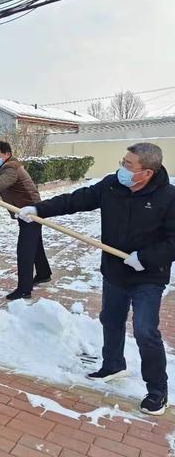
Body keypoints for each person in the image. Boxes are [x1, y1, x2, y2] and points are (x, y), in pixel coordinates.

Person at [18, 142, 175, 416]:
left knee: (144, 330)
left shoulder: (169, 197)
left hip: (147, 276)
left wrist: (145, 258)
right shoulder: (111, 185)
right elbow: (76, 200)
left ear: (146, 173)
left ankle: (158, 390)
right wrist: (39, 210)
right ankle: (113, 365)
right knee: (110, 319)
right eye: (123, 161)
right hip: (114, 270)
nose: (122, 168)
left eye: (129, 165)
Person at [0, 141, 52, 300]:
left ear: (7, 154)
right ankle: (43, 273)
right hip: (28, 211)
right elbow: (3, 190)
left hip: (30, 213)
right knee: (35, 245)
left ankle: (24, 289)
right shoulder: (11, 166)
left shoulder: (10, 168)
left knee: (25, 251)